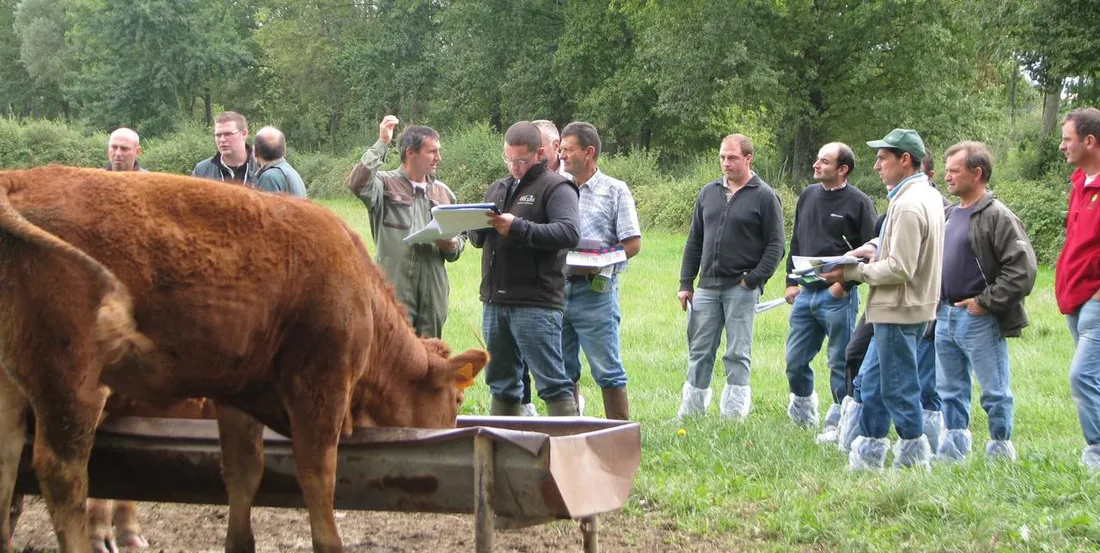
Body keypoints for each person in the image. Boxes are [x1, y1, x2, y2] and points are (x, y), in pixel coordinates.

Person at [820, 128, 944, 470]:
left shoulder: (908, 204)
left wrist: (850, 272)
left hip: (899, 309)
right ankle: (869, 455)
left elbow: (901, 268)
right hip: (903, 307)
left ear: (905, 160)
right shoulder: (927, 195)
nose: (876, 166)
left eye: (883, 158)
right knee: (871, 384)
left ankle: (913, 459)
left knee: (899, 387)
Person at [468, 121, 580, 416]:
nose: (515, 166)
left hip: (536, 301)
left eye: (522, 160)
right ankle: (506, 452)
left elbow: (568, 233)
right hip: (495, 300)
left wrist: (517, 227)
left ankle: (568, 451)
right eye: (509, 159)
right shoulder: (498, 188)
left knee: (552, 382)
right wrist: (471, 226)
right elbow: (479, 239)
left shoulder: (557, 187)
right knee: (501, 383)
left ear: (540, 153)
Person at [934, 141, 1037, 463]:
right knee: (949, 390)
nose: (947, 177)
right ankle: (953, 451)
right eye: (947, 170)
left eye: (954, 170)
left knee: (993, 390)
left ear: (977, 173)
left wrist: (985, 302)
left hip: (978, 318)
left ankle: (1000, 450)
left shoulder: (998, 216)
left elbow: (1023, 270)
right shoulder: (949, 214)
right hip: (945, 315)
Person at [677, 134, 785, 420]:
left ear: (748, 159)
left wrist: (754, 279)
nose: (726, 163)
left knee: (737, 352)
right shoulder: (708, 193)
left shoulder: (764, 196)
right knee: (700, 350)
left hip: (741, 287)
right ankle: (691, 411)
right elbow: (694, 240)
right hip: (707, 288)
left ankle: (733, 415)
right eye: (723, 157)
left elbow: (776, 246)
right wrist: (686, 283)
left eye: (732, 158)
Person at [783, 142, 876, 430]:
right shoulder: (808, 196)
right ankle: (802, 414)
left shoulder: (860, 203)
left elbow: (872, 250)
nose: (816, 165)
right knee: (794, 360)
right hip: (805, 293)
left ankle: (841, 420)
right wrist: (790, 281)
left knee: (840, 361)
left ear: (843, 169)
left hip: (838, 296)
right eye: (817, 159)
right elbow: (797, 239)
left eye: (824, 161)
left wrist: (844, 287)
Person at [345, 115, 464, 339]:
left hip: (433, 291)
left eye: (438, 151)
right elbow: (357, 183)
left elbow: (460, 242)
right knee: (394, 356)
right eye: (432, 151)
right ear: (410, 152)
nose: (438, 157)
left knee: (432, 357)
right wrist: (382, 143)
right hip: (395, 288)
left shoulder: (444, 193)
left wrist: (452, 244)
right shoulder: (384, 184)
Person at [557, 121, 642, 420]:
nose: (561, 156)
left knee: (607, 369)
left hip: (595, 292)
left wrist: (603, 258)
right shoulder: (555, 187)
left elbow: (632, 243)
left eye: (568, 150)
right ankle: (569, 431)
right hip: (555, 289)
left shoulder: (615, 190)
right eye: (560, 149)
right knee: (562, 369)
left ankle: (618, 435)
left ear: (589, 152)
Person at [1054, 106, 1100, 470]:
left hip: (1096, 299)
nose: (1061, 146)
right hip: (1076, 299)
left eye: (1067, 139)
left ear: (1089, 140)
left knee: (1082, 375)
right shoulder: (1079, 184)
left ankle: (1097, 452)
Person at [191, 111, 259, 185]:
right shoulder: (202, 171)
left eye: (228, 134)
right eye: (218, 135)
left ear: (244, 134)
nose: (222, 140)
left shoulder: (261, 168)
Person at [254, 126, 307, 197]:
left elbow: (267, 208)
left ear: (256, 151)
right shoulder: (291, 172)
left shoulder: (269, 178)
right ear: (284, 149)